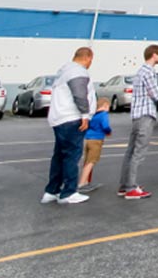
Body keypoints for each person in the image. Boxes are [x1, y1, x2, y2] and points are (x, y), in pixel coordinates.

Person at [42, 47, 94, 205]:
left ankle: (52, 190)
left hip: (58, 118)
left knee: (59, 156)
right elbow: (80, 94)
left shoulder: (63, 71)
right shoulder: (78, 72)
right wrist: (85, 115)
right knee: (72, 155)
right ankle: (69, 192)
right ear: (88, 58)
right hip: (72, 118)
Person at [119, 43, 158, 200]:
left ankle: (124, 185)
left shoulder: (139, 71)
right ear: (154, 54)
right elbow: (156, 94)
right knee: (139, 152)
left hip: (136, 114)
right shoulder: (149, 72)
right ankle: (131, 188)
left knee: (130, 151)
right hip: (146, 114)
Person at [78, 98, 113, 192]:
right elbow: (105, 126)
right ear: (105, 105)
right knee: (92, 161)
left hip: (88, 138)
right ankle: (81, 183)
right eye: (108, 107)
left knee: (87, 160)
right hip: (97, 139)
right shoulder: (103, 114)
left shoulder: (93, 114)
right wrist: (108, 132)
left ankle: (85, 181)